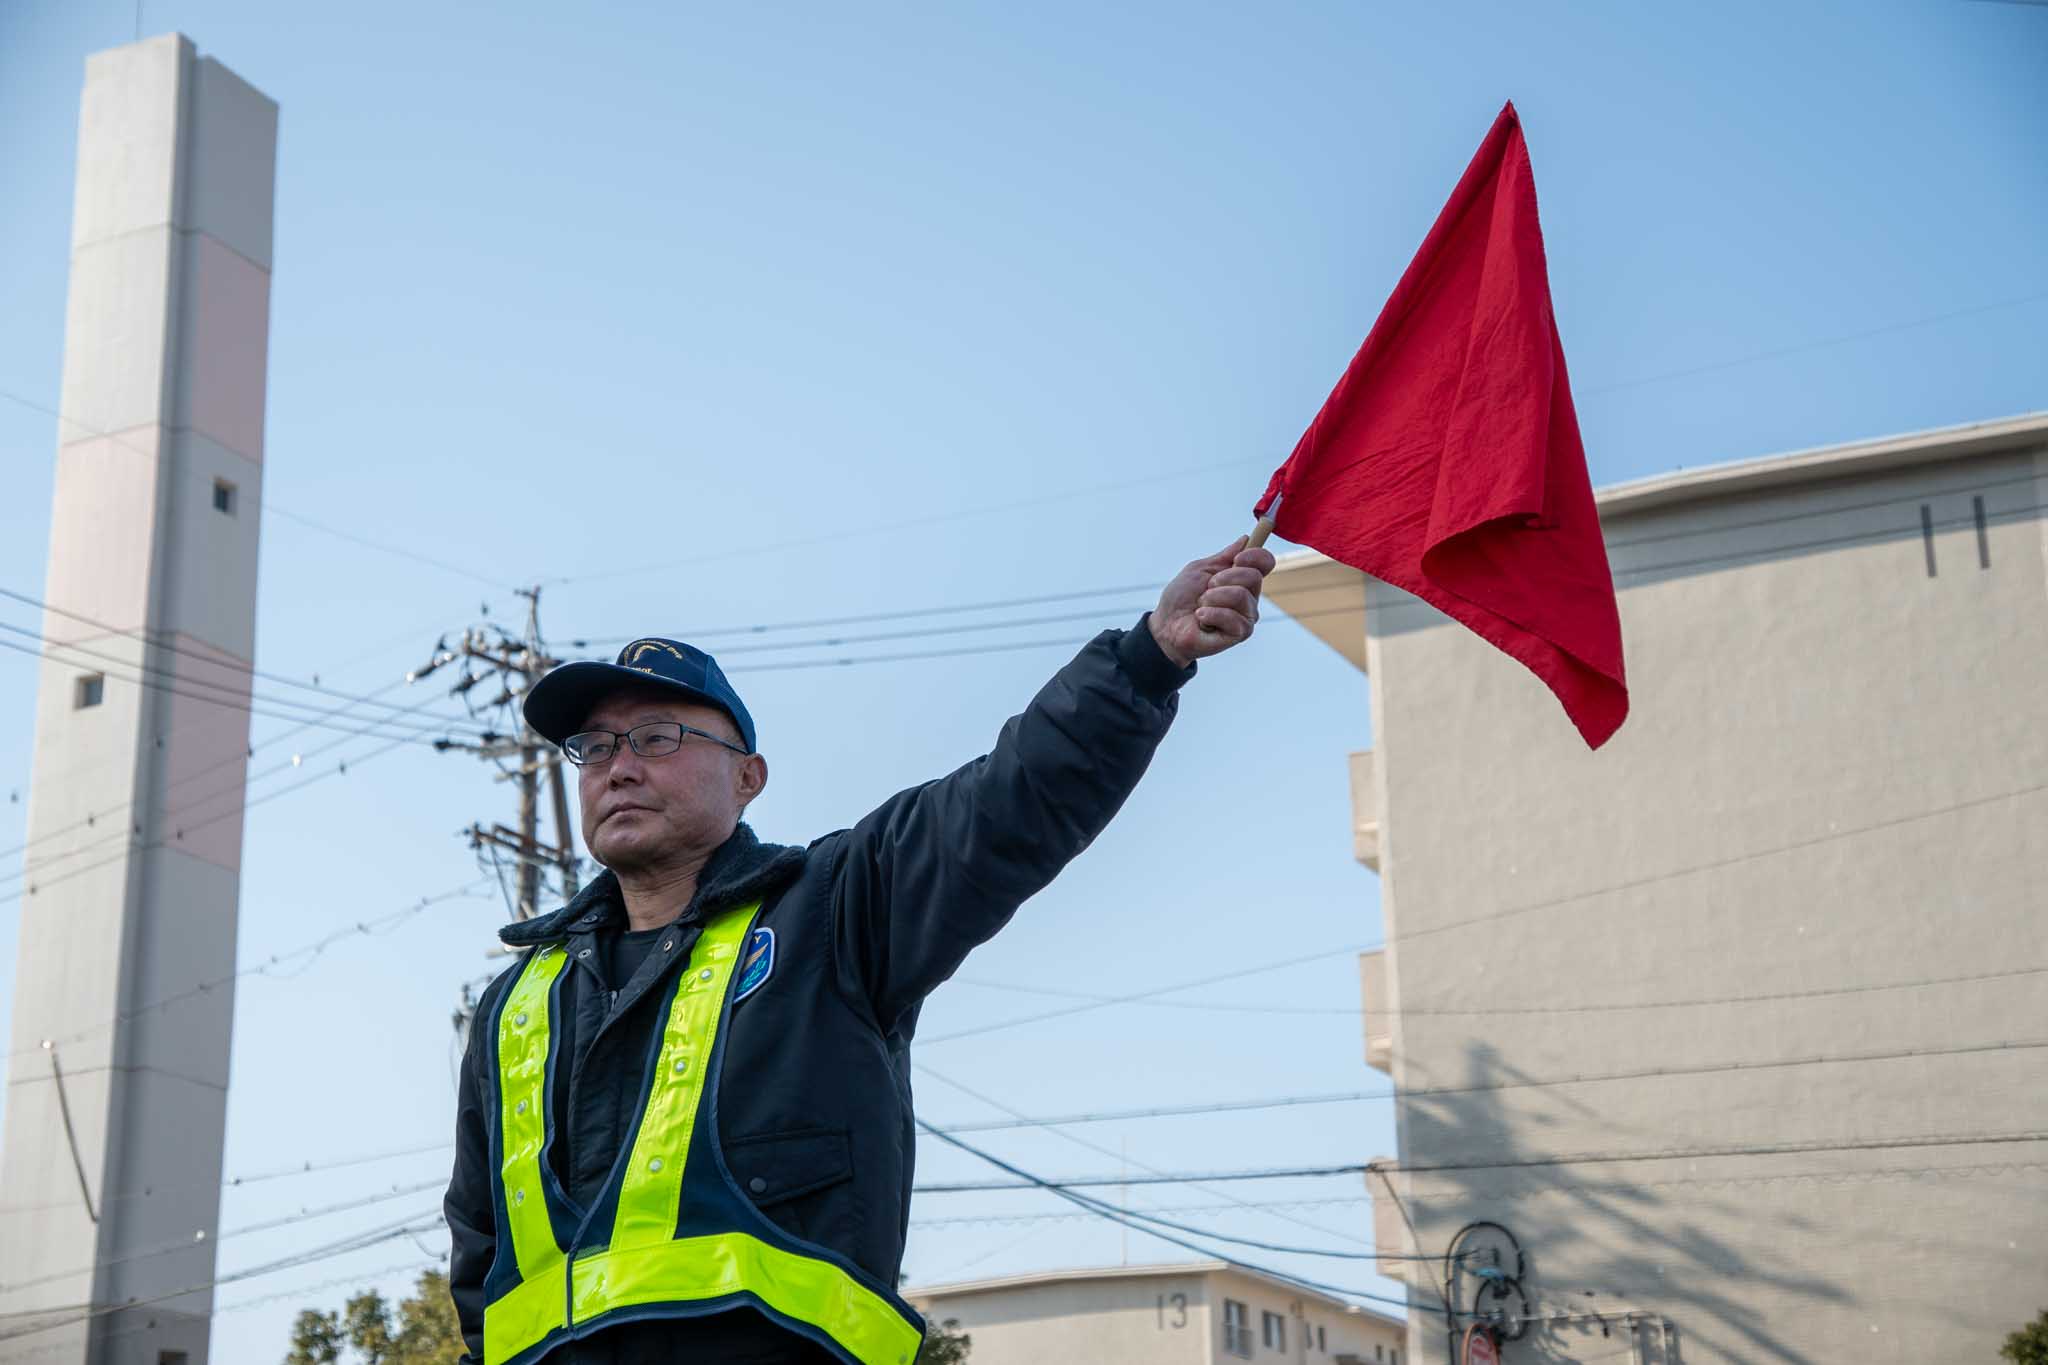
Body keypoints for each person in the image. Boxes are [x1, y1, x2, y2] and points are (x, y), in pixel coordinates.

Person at [444, 536, 1276, 1365]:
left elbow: (1006, 805)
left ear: (748, 777)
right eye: (594, 747)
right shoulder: (519, 1003)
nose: (618, 767)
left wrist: (1145, 661)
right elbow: (483, 1270)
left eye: (657, 736)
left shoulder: (834, 908)